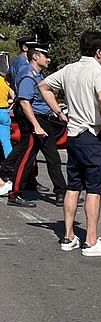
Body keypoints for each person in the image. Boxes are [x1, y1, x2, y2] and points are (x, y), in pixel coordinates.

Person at [39, 31, 101, 257]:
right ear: (98, 52)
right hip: (93, 135)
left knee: (73, 186)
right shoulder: (100, 72)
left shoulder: (69, 70)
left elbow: (44, 87)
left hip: (73, 135)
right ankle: (91, 241)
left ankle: (68, 235)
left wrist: (59, 112)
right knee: (94, 189)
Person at [0, 46, 67, 208]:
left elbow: (45, 95)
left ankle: (61, 193)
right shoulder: (29, 77)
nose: (48, 59)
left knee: (52, 156)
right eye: (45, 56)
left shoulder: (39, 75)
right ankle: (15, 193)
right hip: (33, 119)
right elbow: (24, 101)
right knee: (26, 156)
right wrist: (36, 125)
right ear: (35, 57)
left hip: (43, 118)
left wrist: (58, 112)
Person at [0, 71, 15, 159]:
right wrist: (6, 101)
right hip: (4, 112)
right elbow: (14, 97)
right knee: (6, 141)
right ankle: (10, 162)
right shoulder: (3, 81)